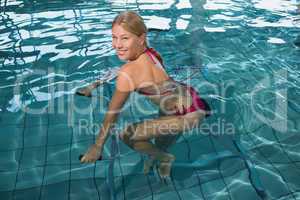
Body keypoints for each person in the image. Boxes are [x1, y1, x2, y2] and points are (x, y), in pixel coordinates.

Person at [79, 11, 211, 178]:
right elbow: (164, 81)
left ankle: (165, 158)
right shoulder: (152, 53)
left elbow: (112, 114)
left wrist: (97, 146)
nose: (117, 45)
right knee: (159, 144)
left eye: (124, 38)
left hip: (188, 114)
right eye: (114, 37)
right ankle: (161, 157)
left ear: (141, 39)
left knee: (127, 135)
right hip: (187, 99)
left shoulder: (127, 74)